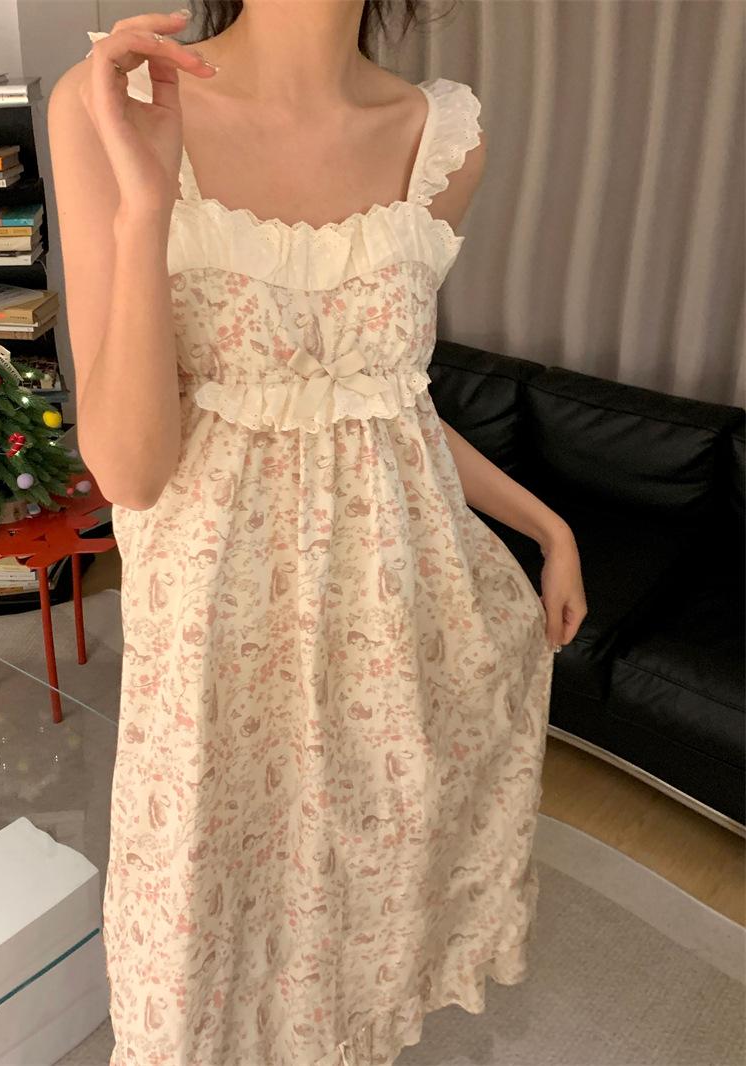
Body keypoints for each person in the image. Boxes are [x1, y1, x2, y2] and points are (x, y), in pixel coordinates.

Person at [48, 3, 587, 1063]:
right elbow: (131, 472)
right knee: (201, 940)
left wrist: (545, 525)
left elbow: (388, 412)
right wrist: (146, 206)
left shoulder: (443, 139)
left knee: (360, 914)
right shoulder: (110, 100)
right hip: (217, 653)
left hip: (388, 630)